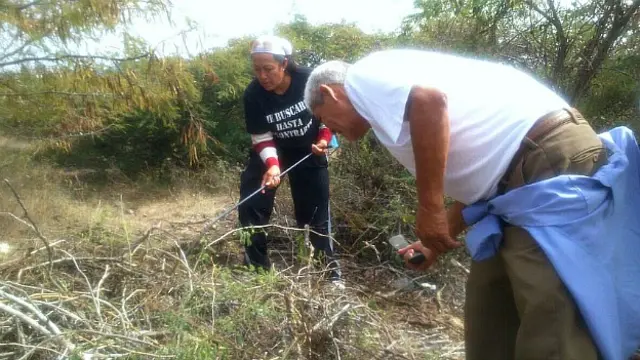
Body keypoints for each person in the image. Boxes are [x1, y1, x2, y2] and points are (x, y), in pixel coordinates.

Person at [302, 49, 640, 360]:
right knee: (490, 314)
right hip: (511, 186)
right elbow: (479, 179)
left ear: (331, 93)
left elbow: (429, 101)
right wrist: (435, 240)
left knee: (551, 317)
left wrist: (430, 208)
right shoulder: (387, 113)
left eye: (327, 120)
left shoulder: (362, 77)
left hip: (545, 160)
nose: (333, 131)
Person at [238, 35, 341, 283]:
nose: (262, 76)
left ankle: (328, 273)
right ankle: (257, 269)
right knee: (251, 203)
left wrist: (324, 138)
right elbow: (261, 136)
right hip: (274, 149)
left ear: (284, 64)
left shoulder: (310, 80)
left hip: (309, 148)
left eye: (268, 69)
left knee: (315, 212)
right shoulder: (253, 95)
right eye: (257, 69)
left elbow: (330, 112)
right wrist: (272, 166)